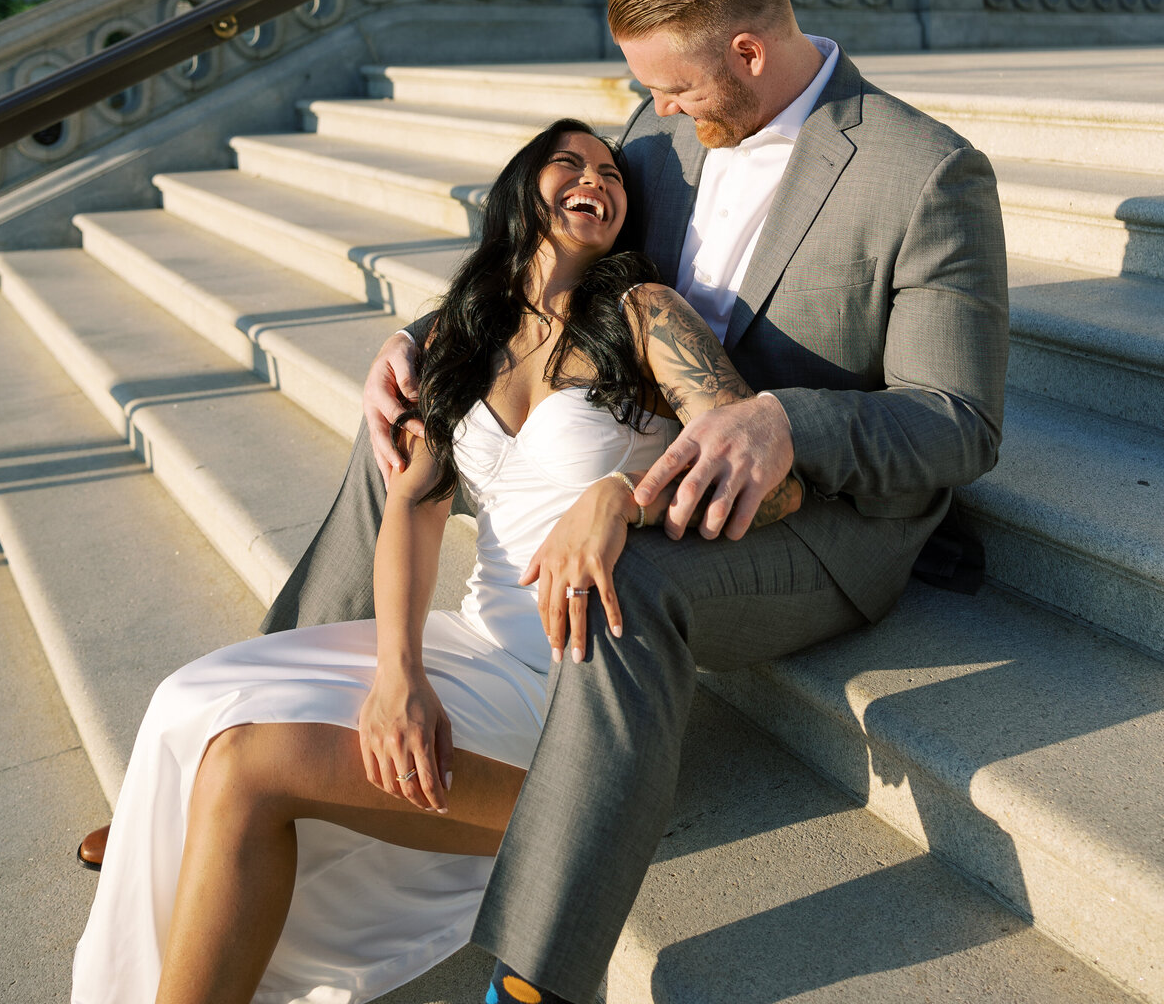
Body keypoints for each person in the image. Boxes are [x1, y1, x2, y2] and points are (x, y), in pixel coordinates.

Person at [252, 0, 1009, 1004]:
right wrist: (422, 340)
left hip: (816, 518)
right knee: (409, 435)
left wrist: (787, 419)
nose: (650, 113)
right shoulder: (663, 139)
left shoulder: (926, 173)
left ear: (746, 51)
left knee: (628, 581)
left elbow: (959, 422)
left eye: (674, 86)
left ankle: (538, 978)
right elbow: (552, 253)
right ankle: (263, 716)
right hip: (627, 430)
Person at [71, 116, 802, 1004]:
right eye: (567, 163)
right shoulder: (467, 335)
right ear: (517, 195)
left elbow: (773, 483)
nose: (596, 179)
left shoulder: (646, 316)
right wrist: (398, 674)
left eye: (612, 173)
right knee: (185, 698)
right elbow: (415, 508)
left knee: (246, 767)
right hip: (471, 637)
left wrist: (622, 498)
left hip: (571, 681)